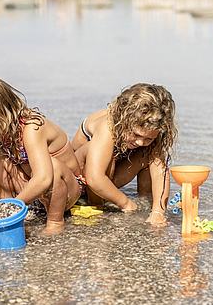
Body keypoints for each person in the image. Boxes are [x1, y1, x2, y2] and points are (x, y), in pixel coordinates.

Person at [0, 75, 84, 236]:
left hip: (65, 192)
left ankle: (55, 222)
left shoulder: (32, 128)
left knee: (53, 167)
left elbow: (44, 178)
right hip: (35, 194)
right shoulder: (2, 130)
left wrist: (15, 204)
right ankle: (13, 218)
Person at [72, 83, 178, 227]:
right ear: (125, 119)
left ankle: (145, 201)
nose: (141, 142)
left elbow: (160, 172)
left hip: (106, 178)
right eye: (136, 134)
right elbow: (94, 178)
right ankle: (97, 205)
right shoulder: (108, 126)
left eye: (148, 138)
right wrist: (126, 203)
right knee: (101, 154)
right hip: (80, 182)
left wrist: (158, 211)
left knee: (148, 153)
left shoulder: (150, 131)